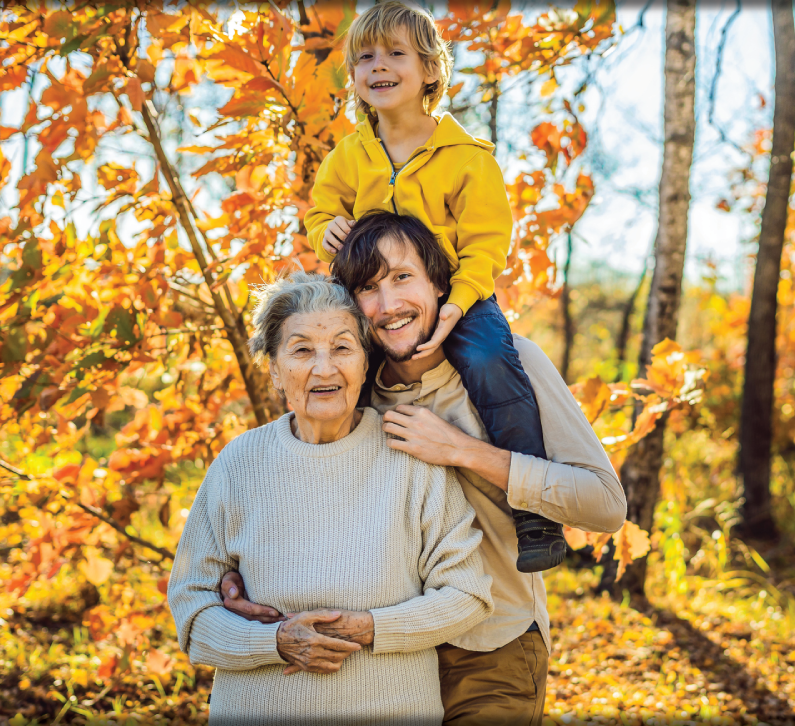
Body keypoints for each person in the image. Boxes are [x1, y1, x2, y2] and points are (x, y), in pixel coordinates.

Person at [225, 213, 628, 725]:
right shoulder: (351, 388)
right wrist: (241, 574)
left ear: (439, 284)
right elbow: (299, 490)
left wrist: (462, 450)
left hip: (491, 647)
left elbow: (605, 505)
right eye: (369, 288)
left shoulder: (512, 366)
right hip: (380, 656)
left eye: (402, 277)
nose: (390, 305)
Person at [303, 0, 567, 572]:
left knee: (492, 361)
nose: (379, 66)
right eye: (366, 56)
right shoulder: (351, 153)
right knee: (325, 364)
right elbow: (321, 209)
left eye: (396, 54)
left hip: (457, 294)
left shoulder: (466, 157)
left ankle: (535, 514)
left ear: (429, 70)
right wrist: (327, 230)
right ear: (353, 75)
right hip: (372, 298)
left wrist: (459, 304)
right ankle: (320, 495)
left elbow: (487, 242)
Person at [166, 272, 494, 725]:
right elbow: (192, 610)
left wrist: (371, 628)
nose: (324, 368)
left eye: (342, 348)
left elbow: (468, 594)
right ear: (275, 370)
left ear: (364, 363)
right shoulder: (238, 463)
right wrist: (275, 641)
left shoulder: (411, 453)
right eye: (302, 350)